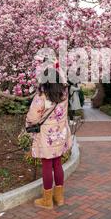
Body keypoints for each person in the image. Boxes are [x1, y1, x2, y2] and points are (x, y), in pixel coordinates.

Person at [26, 68, 72, 209]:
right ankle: (59, 197)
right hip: (60, 133)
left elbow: (33, 118)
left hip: (46, 135)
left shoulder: (42, 96)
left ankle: (47, 201)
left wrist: (28, 123)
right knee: (57, 164)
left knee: (47, 165)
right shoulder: (64, 93)